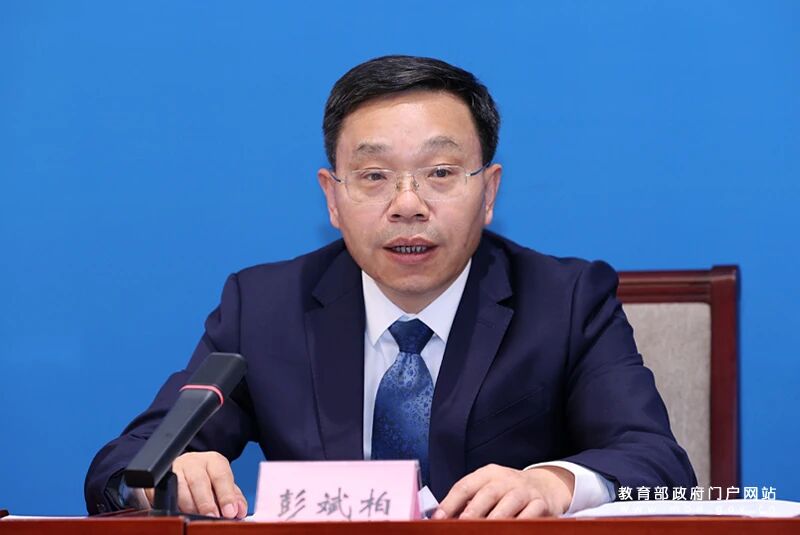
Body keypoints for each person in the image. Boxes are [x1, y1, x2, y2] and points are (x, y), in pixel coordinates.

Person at [85, 55, 695, 519]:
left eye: (440, 172)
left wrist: (553, 483)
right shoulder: (263, 309)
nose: (407, 204)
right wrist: (165, 474)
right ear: (332, 197)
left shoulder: (565, 300)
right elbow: (123, 462)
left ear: (488, 192)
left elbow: (661, 465)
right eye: (374, 176)